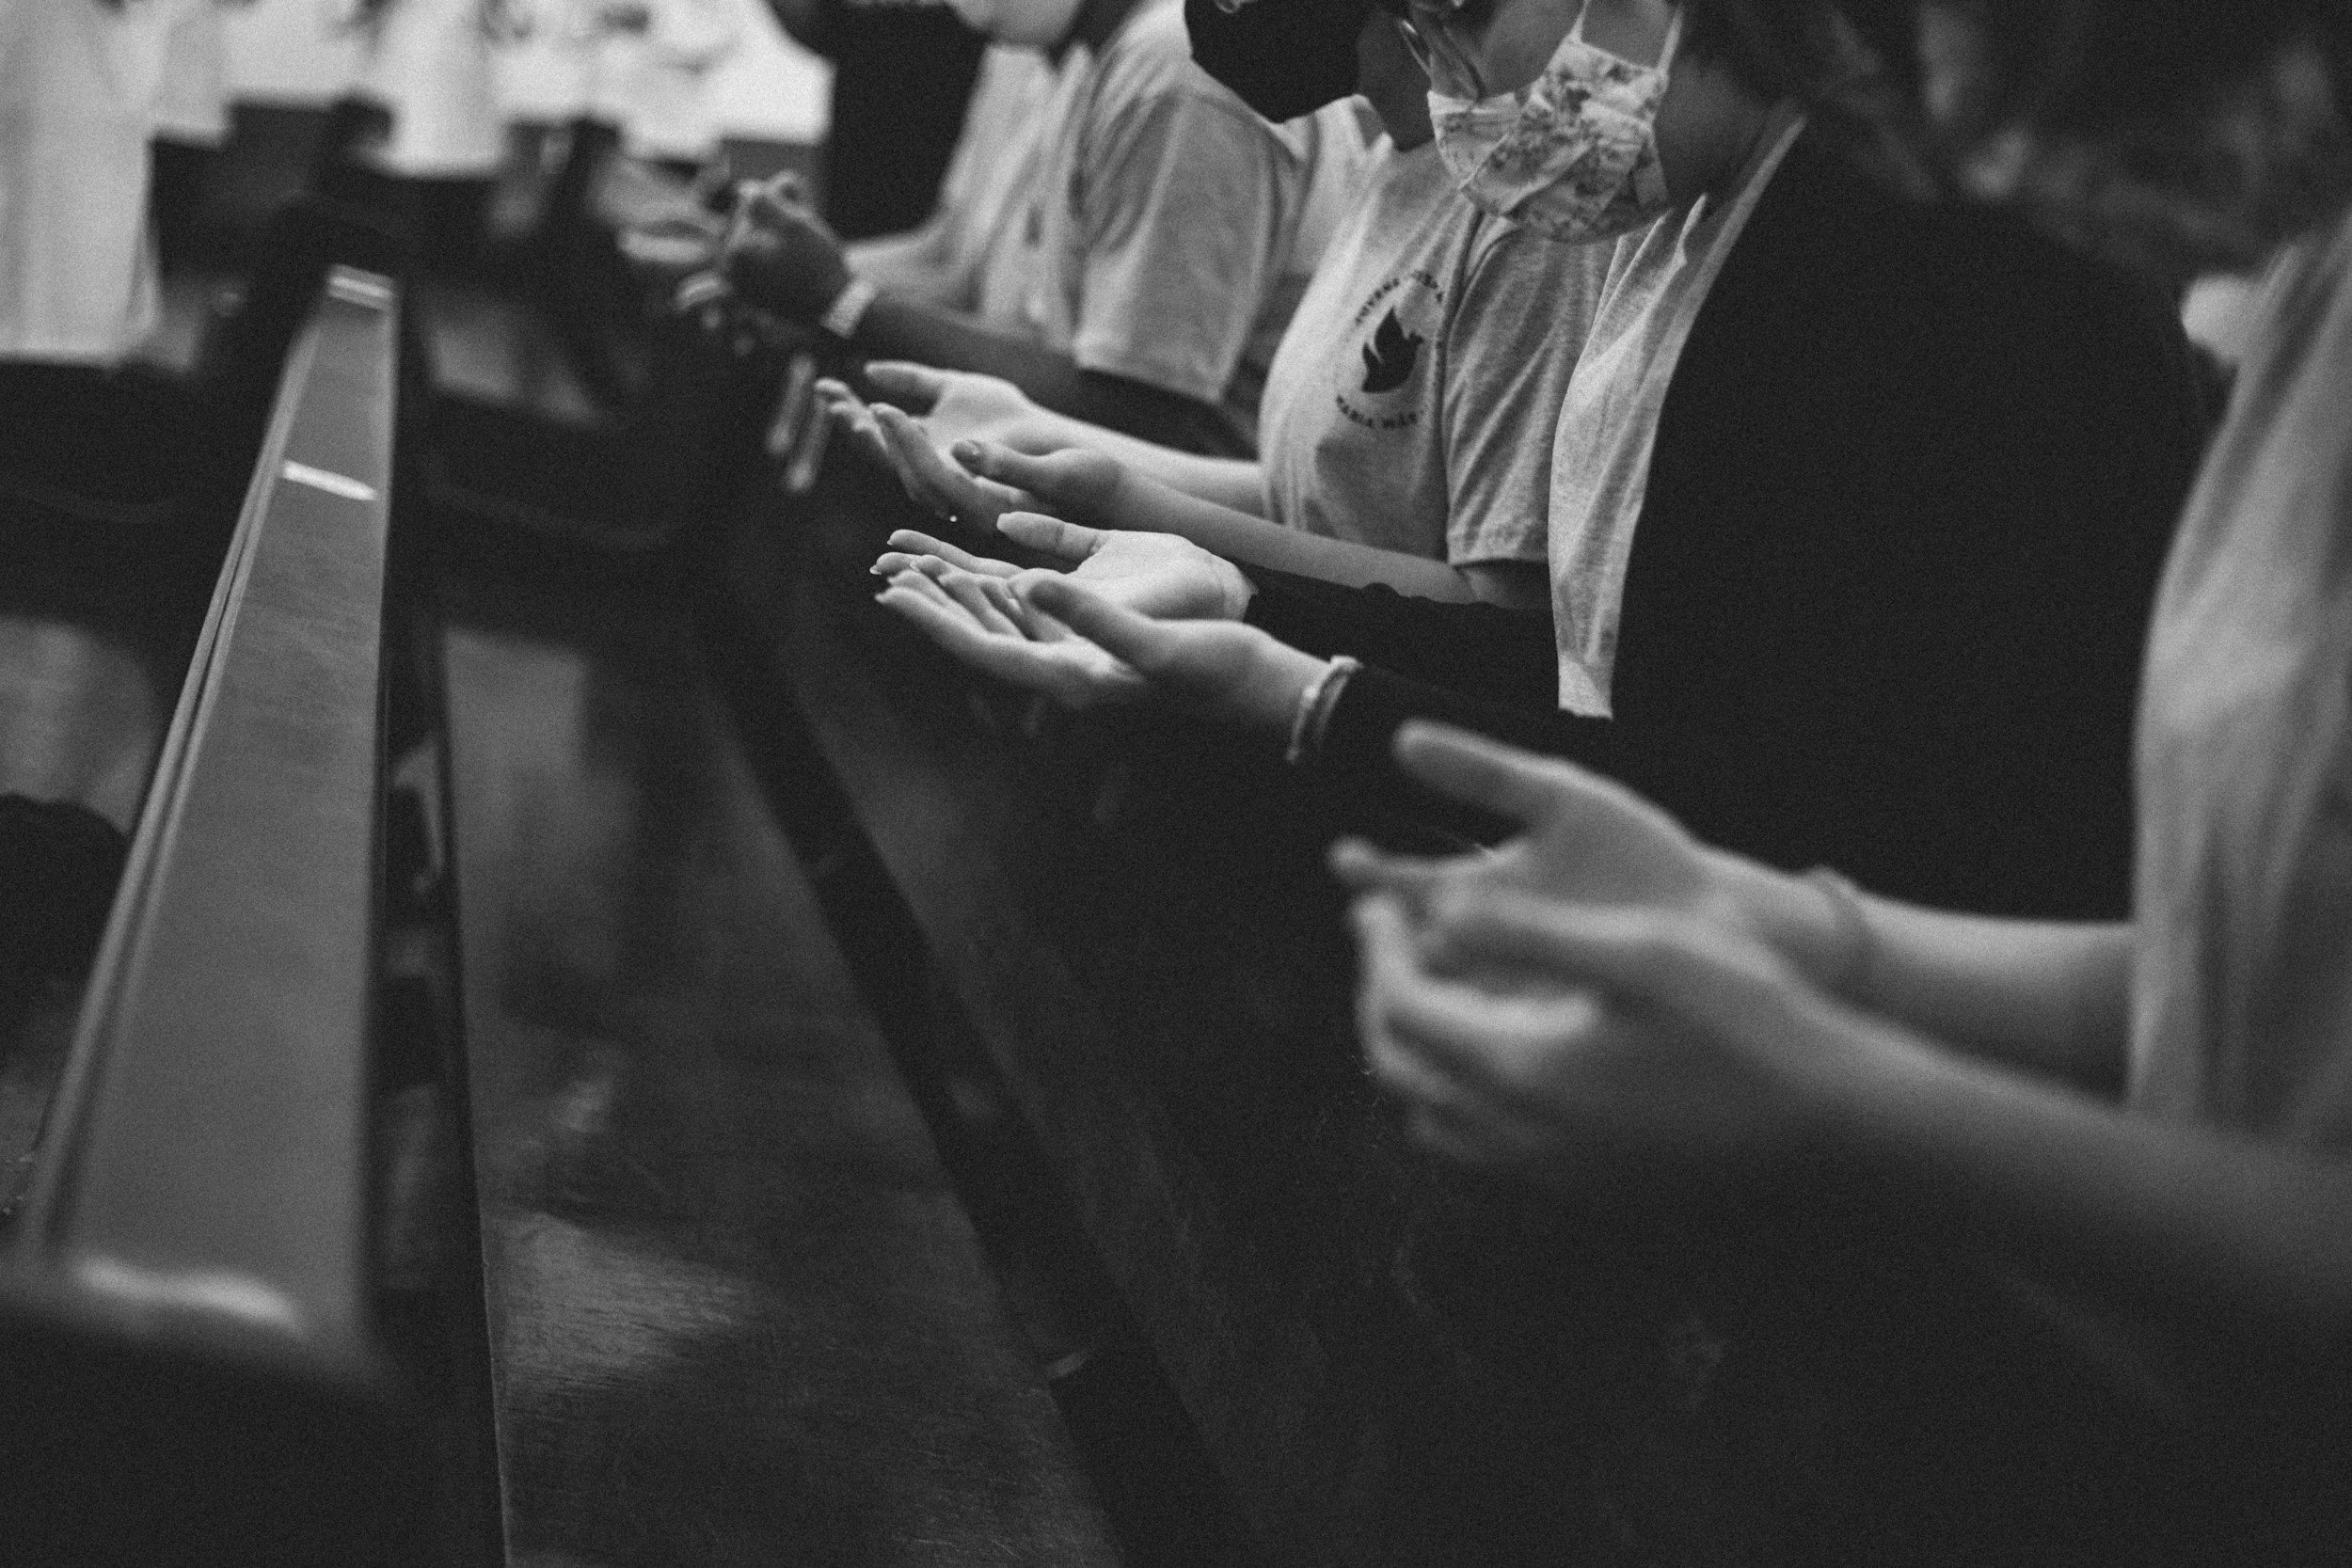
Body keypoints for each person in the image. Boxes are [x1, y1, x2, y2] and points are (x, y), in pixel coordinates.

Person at [1324, 0, 2352, 1557]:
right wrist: (1798, 938)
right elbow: (2261, 987)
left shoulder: (1961, 269)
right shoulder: (2318, 283)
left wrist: (1837, 1092)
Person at [873, 0, 2203, 921]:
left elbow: (1801, 800)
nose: (1447, 78)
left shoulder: (1927, 268)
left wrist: (1306, 694)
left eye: (1464, 12)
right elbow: (1601, 660)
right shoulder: (1685, 212)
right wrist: (1252, 614)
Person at [824, 7, 1609, 608]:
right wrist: (1049, 453)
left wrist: (1140, 512)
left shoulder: (1526, 217)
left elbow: (1497, 621)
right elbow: (1309, 497)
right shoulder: (1397, 164)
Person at [711, 0, 1363, 452]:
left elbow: (1136, 414)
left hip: (1177, 577)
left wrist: (843, 303)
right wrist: (791, 271)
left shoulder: (1177, 71)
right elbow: (967, 274)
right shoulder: (1065, 50)